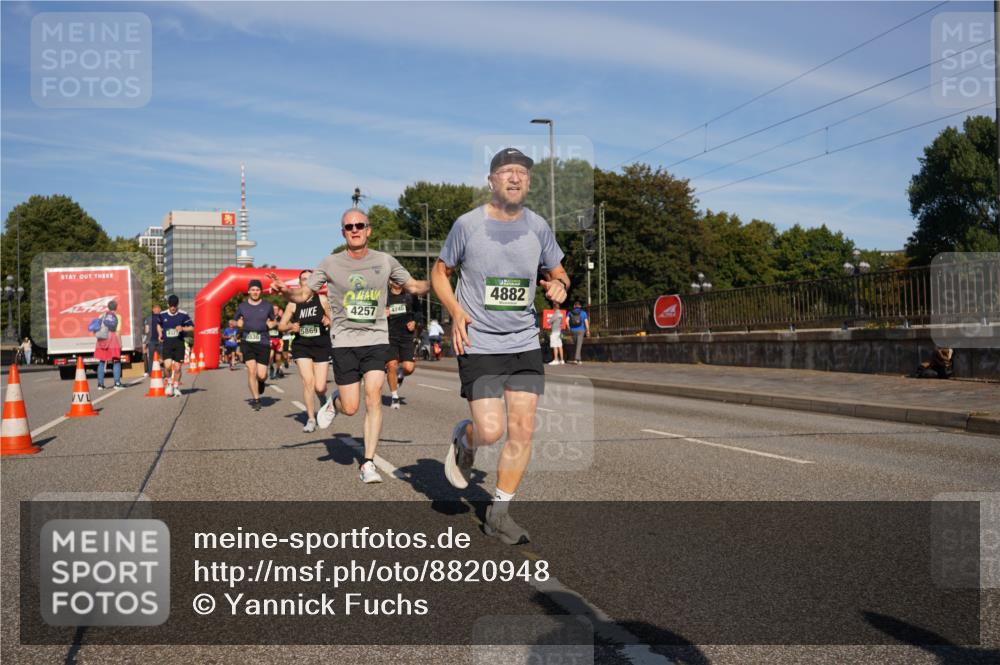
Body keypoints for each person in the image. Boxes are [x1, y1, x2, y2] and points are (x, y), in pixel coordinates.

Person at [432, 147, 569, 545]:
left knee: (522, 429)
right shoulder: (468, 225)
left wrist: (559, 285)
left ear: (528, 182)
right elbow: (440, 273)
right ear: (491, 181)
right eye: (506, 172)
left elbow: (558, 271)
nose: (514, 178)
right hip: (479, 340)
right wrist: (455, 311)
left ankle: (500, 512)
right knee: (491, 431)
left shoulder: (539, 227)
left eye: (522, 173)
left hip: (524, 340)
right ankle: (466, 439)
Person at [267, 208, 429, 484]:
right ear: (343, 232)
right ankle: (334, 402)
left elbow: (413, 286)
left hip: (377, 339)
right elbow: (304, 293)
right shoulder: (330, 263)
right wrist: (286, 292)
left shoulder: (385, 260)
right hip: (344, 342)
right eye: (349, 226)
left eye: (359, 225)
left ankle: (367, 462)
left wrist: (437, 281)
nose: (354, 229)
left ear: (369, 230)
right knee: (351, 406)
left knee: (374, 395)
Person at [279, 270, 333, 431]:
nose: (307, 282)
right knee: (308, 382)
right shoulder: (293, 304)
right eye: (304, 279)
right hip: (302, 346)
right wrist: (291, 326)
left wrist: (328, 320)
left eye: (310, 279)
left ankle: (323, 397)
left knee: (320, 386)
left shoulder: (322, 300)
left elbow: (334, 321)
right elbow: (281, 326)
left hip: (321, 345)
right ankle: (310, 419)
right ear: (299, 282)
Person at [235, 280, 277, 411]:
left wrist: (272, 324)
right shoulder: (242, 306)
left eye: (257, 290)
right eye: (252, 289)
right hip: (247, 341)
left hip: (263, 341)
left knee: (262, 374)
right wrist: (238, 323)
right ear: (248, 291)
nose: (255, 292)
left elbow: (273, 320)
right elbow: (235, 319)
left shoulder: (267, 305)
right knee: (251, 370)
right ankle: (256, 399)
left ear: (260, 291)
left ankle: (261, 381)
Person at [385, 281, 417, 409]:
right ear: (389, 281)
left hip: (406, 336)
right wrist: (382, 314)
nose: (396, 281)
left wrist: (414, 322)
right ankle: (394, 397)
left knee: (409, 368)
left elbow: (418, 313)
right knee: (391, 365)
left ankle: (400, 373)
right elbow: (373, 312)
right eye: (393, 279)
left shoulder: (410, 296)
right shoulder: (384, 296)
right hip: (389, 336)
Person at [157, 295, 194, 396]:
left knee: (177, 368)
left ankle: (176, 387)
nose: (173, 308)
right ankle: (169, 384)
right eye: (171, 305)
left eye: (175, 305)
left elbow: (192, 327)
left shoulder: (183, 314)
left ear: (177, 305)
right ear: (168, 304)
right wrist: (160, 334)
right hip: (167, 344)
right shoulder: (162, 314)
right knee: (167, 366)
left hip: (179, 344)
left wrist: (183, 328)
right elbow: (159, 325)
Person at [93, 300, 124, 390]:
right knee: (116, 361)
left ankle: (100, 384)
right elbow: (117, 332)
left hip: (102, 338)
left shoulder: (101, 316)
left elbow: (97, 328)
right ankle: (117, 383)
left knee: (102, 361)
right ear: (116, 307)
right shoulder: (118, 316)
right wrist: (120, 344)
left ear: (108, 307)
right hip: (113, 339)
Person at [143, 304, 163, 376]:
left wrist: (145, 342)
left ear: (152, 310)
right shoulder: (163, 317)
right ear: (160, 310)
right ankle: (163, 372)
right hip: (161, 340)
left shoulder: (148, 318)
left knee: (151, 358)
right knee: (162, 357)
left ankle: (151, 373)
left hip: (151, 341)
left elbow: (146, 331)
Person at [568, 301, 590, 365]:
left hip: (573, 330)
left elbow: (566, 321)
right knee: (579, 345)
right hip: (581, 330)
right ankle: (576, 359)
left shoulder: (570, 313)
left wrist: (569, 328)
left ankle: (579, 359)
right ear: (580, 306)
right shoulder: (583, 313)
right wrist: (588, 330)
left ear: (574, 306)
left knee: (576, 344)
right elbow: (586, 322)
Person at [268, 303, 284, 380]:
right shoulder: (268, 317)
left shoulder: (281, 318)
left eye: (276, 309)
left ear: (278, 311)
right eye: (273, 309)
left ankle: (277, 370)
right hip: (270, 339)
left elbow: (284, 327)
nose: (275, 311)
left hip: (279, 339)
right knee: (270, 356)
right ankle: (271, 367)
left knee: (278, 358)